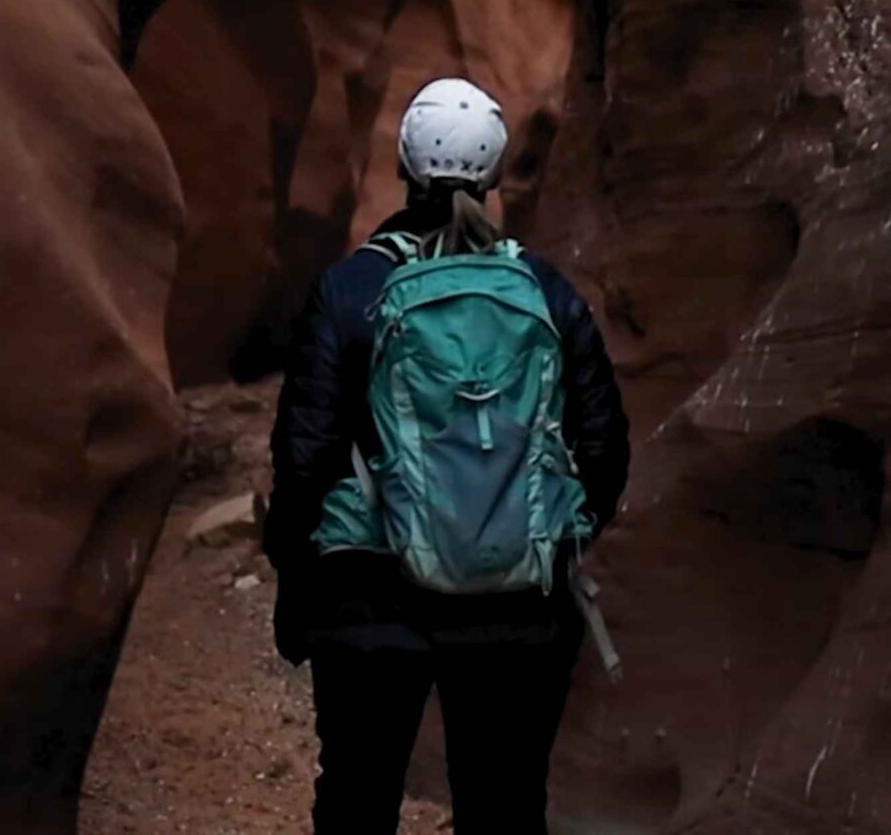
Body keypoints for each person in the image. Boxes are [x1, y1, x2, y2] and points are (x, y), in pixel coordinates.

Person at [265, 76, 631, 835]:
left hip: (368, 602)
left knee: (357, 801)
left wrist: (301, 581)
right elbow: (603, 450)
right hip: (516, 614)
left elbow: (304, 460)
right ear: (497, 175)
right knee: (504, 807)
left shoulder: (349, 290)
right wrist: (544, 539)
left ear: (403, 162)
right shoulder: (545, 291)